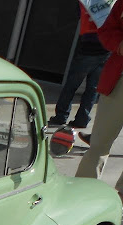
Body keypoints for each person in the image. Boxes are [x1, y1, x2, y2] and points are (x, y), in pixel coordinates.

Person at [75, 0, 123, 190]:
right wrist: (120, 44)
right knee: (98, 145)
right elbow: (107, 31)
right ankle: (82, 193)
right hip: (118, 81)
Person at [49, 2, 112, 129]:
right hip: (106, 48)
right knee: (93, 88)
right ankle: (82, 120)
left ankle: (61, 116)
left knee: (72, 84)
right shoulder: (112, 3)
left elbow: (79, 14)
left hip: (89, 47)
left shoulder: (85, 2)